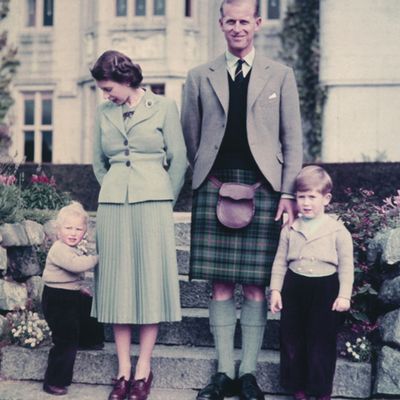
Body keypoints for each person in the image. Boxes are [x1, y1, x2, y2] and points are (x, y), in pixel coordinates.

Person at [181, 0, 303, 399]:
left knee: (254, 287)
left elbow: (292, 140)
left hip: (264, 189)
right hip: (215, 184)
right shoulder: (199, 76)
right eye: (230, 21)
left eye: (244, 21)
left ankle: (247, 374)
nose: (237, 28)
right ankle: (223, 374)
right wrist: (204, 179)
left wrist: (287, 192)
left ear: (257, 24)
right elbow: (191, 136)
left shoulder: (281, 75)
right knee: (219, 285)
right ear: (221, 24)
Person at [90, 50, 187, 400]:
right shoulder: (103, 113)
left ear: (127, 79)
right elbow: (98, 163)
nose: (106, 94)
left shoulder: (164, 108)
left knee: (148, 283)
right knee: (117, 285)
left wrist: (164, 199)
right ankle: (123, 370)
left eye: (108, 88)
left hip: (153, 204)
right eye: (102, 89)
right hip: (114, 204)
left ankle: (143, 368)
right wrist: (116, 187)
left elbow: (179, 160)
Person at [270, 166, 354, 400]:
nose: (306, 203)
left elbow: (346, 266)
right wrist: (276, 290)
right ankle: (298, 391)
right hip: (294, 287)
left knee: (321, 343)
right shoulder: (290, 228)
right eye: (301, 196)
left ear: (326, 199)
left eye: (312, 197)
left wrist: (344, 295)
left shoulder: (337, 231)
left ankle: (321, 391)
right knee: (292, 340)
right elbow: (279, 262)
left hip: (325, 289)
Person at [42, 201, 101, 396]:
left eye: (78, 229)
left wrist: (78, 288)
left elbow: (72, 277)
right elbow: (74, 265)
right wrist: (97, 258)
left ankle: (90, 339)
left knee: (87, 307)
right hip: (56, 299)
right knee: (65, 339)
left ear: (84, 232)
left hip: (69, 294)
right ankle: (54, 380)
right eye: (68, 228)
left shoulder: (72, 247)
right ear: (58, 231)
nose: (73, 233)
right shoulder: (59, 248)